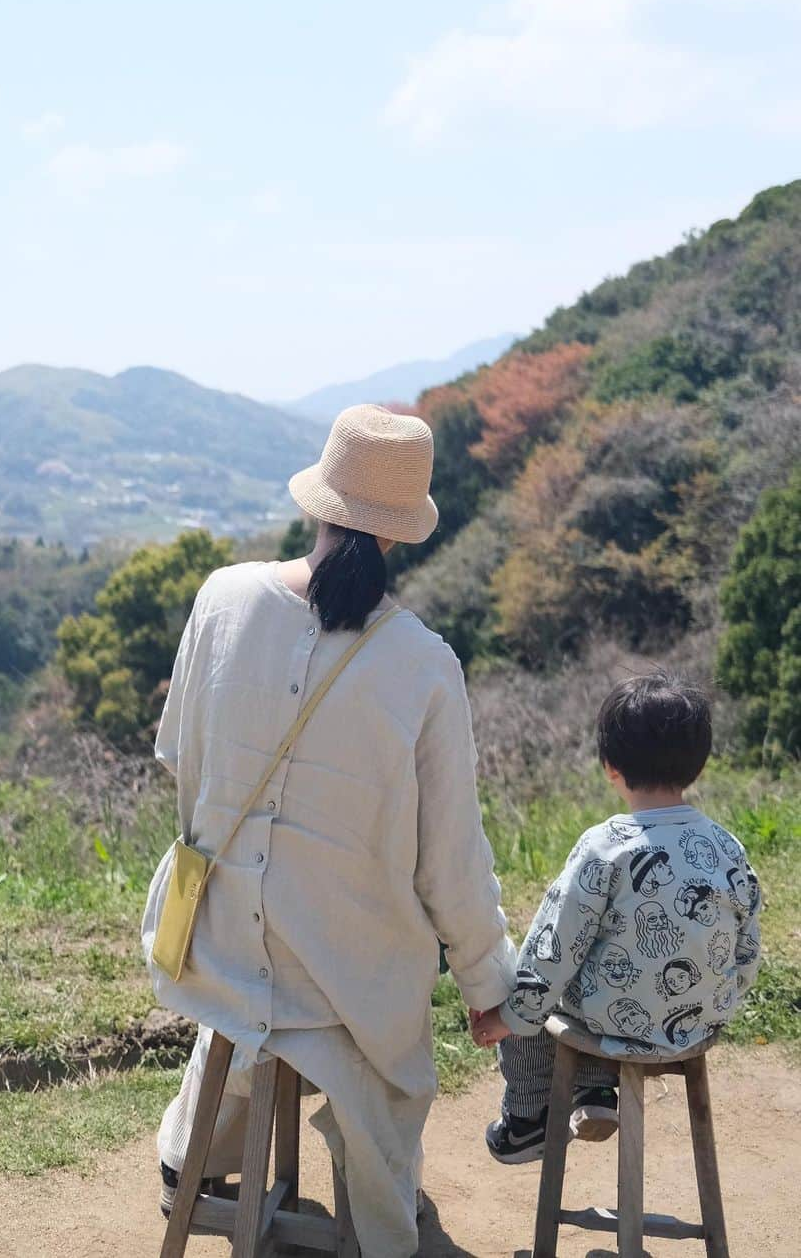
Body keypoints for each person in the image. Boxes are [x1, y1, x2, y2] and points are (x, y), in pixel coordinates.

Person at [142, 404, 516, 1257]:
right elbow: (449, 863)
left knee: (247, 1006)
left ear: (318, 501)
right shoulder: (423, 663)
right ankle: (379, 1208)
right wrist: (484, 980)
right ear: (403, 534)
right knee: (380, 1049)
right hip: (349, 980)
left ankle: (189, 1157)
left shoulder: (222, 596)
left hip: (219, 948)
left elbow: (178, 757)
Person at [470, 672, 761, 1165]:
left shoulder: (605, 847)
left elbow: (553, 949)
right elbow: (748, 949)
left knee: (533, 993)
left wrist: (507, 1017)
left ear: (610, 766)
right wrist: (720, 998)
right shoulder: (727, 847)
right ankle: (594, 1093)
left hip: (608, 1020)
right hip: (696, 1023)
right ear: (700, 765)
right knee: (602, 979)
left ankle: (525, 1122)